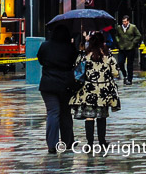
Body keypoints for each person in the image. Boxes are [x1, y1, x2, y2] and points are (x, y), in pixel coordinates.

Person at [70, 31, 120, 149]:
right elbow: (116, 72)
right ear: (103, 42)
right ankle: (102, 141)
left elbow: (77, 70)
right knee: (102, 116)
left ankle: (90, 143)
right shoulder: (108, 56)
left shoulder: (84, 56)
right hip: (104, 90)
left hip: (88, 90)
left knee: (89, 116)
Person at [37, 24, 77, 154]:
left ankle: (52, 144)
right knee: (65, 113)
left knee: (53, 113)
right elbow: (74, 62)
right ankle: (68, 142)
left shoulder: (45, 46)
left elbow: (40, 60)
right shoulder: (70, 48)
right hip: (65, 84)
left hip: (48, 85)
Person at [114, 16, 141, 86]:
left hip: (130, 48)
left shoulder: (133, 27)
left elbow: (138, 35)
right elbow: (116, 35)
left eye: (125, 21)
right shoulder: (119, 27)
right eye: (123, 21)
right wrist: (118, 41)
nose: (124, 23)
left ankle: (129, 79)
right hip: (122, 48)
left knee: (130, 64)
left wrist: (133, 42)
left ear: (128, 21)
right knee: (120, 62)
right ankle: (125, 74)